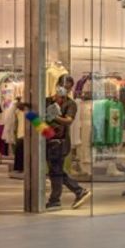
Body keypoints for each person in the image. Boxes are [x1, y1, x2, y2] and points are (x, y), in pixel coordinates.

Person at [45, 79, 92, 210]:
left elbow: (68, 121)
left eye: (67, 88)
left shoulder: (70, 104)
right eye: (62, 86)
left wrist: (53, 116)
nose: (64, 89)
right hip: (47, 139)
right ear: (57, 85)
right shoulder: (47, 101)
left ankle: (73, 193)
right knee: (55, 171)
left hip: (60, 142)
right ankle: (58, 198)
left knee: (56, 171)